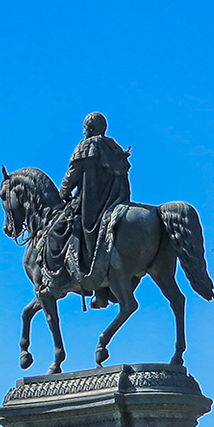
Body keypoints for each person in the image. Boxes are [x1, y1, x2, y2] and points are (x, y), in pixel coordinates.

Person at [58, 112, 131, 305]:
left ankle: (74, 277)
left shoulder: (87, 146)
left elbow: (72, 176)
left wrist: (61, 196)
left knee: (71, 230)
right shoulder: (113, 147)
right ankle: (106, 290)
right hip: (116, 200)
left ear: (90, 128)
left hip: (93, 203)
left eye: (85, 127)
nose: (83, 132)